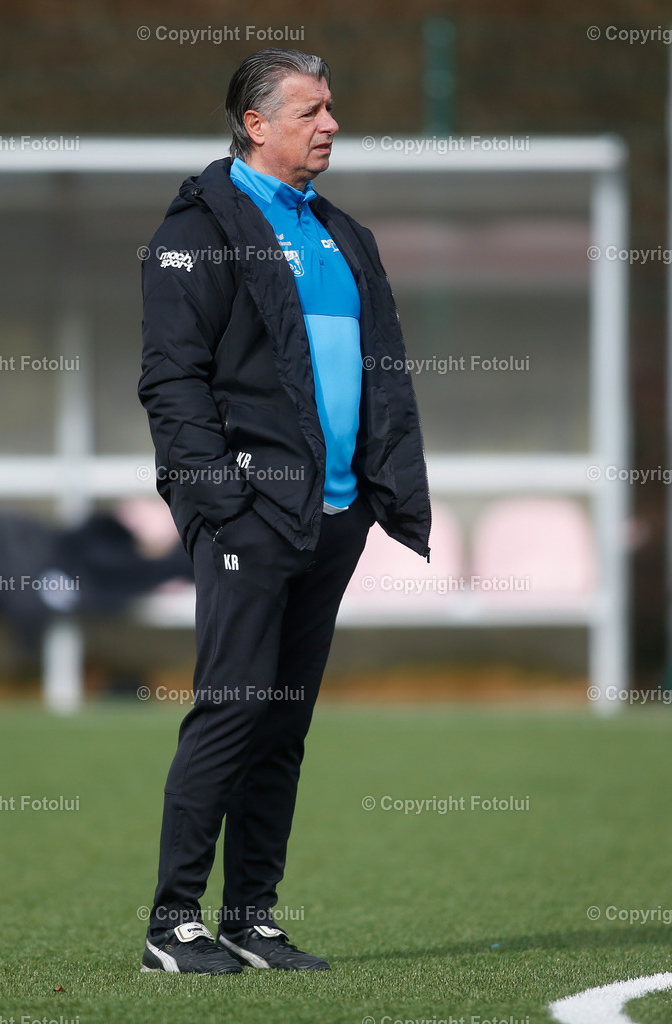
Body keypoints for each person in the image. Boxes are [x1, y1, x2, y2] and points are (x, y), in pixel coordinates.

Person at [138, 47, 431, 975]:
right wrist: (220, 498)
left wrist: (383, 487)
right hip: (249, 516)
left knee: (284, 723)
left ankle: (252, 917)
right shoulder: (198, 226)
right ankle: (172, 924)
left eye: (331, 108)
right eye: (309, 111)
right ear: (255, 124)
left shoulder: (343, 234)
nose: (330, 124)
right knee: (231, 708)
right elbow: (170, 379)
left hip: (332, 518)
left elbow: (381, 376)